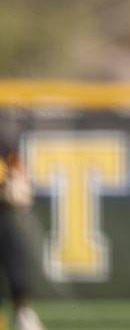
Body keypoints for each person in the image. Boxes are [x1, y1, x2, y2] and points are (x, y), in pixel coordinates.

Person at [0, 119, 46, 330]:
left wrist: (17, 187)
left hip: (2, 214)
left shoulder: (4, 143)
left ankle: (23, 311)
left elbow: (20, 179)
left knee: (15, 260)